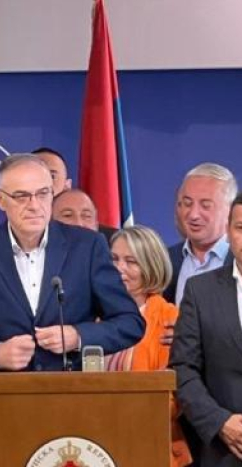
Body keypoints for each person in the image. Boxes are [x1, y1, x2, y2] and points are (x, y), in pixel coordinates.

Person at [0, 153, 144, 373]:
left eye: (42, 194)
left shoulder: (87, 247)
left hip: (71, 390)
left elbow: (130, 323)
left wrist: (78, 336)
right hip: (2, 392)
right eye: (22, 196)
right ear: (0, 200)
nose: (34, 205)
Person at [108, 225, 192, 467]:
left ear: (150, 267)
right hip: (96, 440)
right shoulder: (91, 316)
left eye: (131, 261)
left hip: (149, 442)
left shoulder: (169, 319)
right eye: (114, 259)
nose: (119, 268)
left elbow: (173, 395)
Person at [170, 193, 242, 467]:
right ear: (228, 231)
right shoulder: (200, 291)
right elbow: (183, 368)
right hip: (225, 452)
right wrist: (219, 421)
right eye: (241, 227)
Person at [165, 163, 236, 305]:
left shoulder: (238, 259)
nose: (193, 215)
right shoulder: (166, 260)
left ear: (230, 210)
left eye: (205, 206)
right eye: (187, 203)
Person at [33, 147, 116, 242]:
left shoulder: (112, 241)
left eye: (52, 176)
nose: (43, 184)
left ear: (67, 186)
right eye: (34, 176)